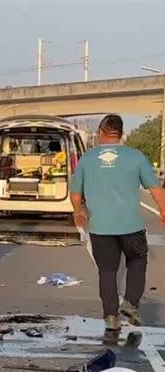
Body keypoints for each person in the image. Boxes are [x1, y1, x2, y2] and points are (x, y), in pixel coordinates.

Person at [70, 114, 165, 341]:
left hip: (101, 227)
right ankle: (130, 303)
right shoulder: (136, 157)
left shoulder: (88, 158)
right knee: (137, 260)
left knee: (108, 271)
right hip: (130, 225)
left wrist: (79, 210)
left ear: (102, 132)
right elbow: (156, 188)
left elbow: (75, 194)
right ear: (120, 134)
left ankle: (111, 317)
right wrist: (163, 210)